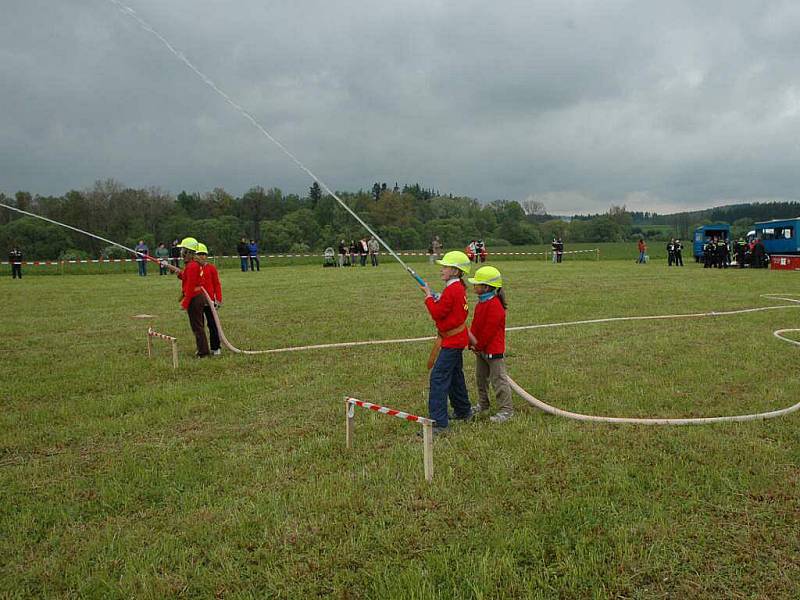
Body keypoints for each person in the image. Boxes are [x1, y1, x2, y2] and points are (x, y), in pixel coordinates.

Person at [419, 250, 472, 434]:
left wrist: (427, 297)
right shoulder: (456, 288)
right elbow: (448, 308)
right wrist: (438, 298)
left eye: (446, 267)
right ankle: (463, 410)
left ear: (455, 272)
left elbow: (437, 313)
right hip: (455, 340)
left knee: (438, 378)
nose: (442, 269)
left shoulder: (452, 290)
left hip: (452, 342)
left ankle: (439, 423)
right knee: (456, 376)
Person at [467, 266, 513, 423]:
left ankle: (506, 410)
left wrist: (478, 345)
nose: (474, 286)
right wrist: (471, 341)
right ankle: (483, 404)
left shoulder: (495, 306)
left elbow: (489, 331)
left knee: (498, 380)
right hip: (480, 350)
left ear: (486, 287)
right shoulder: (481, 303)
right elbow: (476, 325)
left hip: (493, 351)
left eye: (477, 284)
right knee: (481, 378)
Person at [176, 237, 210, 357]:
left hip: (195, 299)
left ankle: (203, 352)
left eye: (182, 250)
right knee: (197, 326)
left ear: (187, 252)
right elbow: (187, 278)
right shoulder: (192, 265)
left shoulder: (192, 266)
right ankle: (202, 349)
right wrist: (179, 273)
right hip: (196, 297)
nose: (181, 253)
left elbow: (190, 287)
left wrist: (185, 303)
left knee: (197, 327)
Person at [195, 243, 223, 356]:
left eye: (203, 254)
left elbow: (217, 284)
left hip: (210, 302)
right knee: (199, 327)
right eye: (199, 254)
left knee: (213, 324)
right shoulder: (193, 268)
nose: (202, 256)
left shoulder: (211, 268)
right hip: (197, 301)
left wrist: (218, 299)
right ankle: (202, 349)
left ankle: (216, 347)